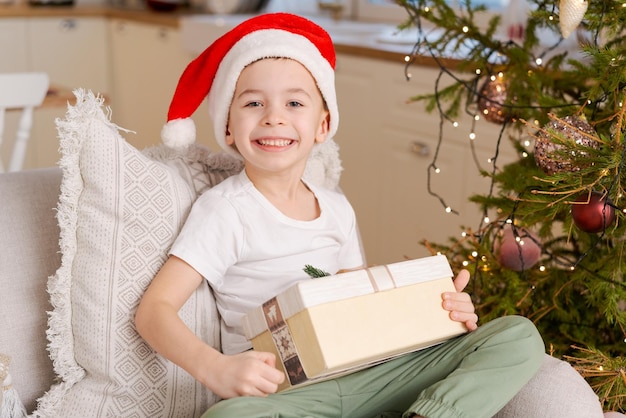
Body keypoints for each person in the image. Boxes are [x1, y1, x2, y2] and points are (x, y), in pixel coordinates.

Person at [135, 13, 545, 418]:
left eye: (294, 103)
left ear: (323, 124)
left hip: (372, 374)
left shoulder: (336, 208)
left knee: (517, 335)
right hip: (288, 392)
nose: (273, 116)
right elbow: (154, 310)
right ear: (228, 127)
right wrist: (216, 368)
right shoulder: (225, 211)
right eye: (254, 103)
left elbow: (357, 301)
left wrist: (437, 309)